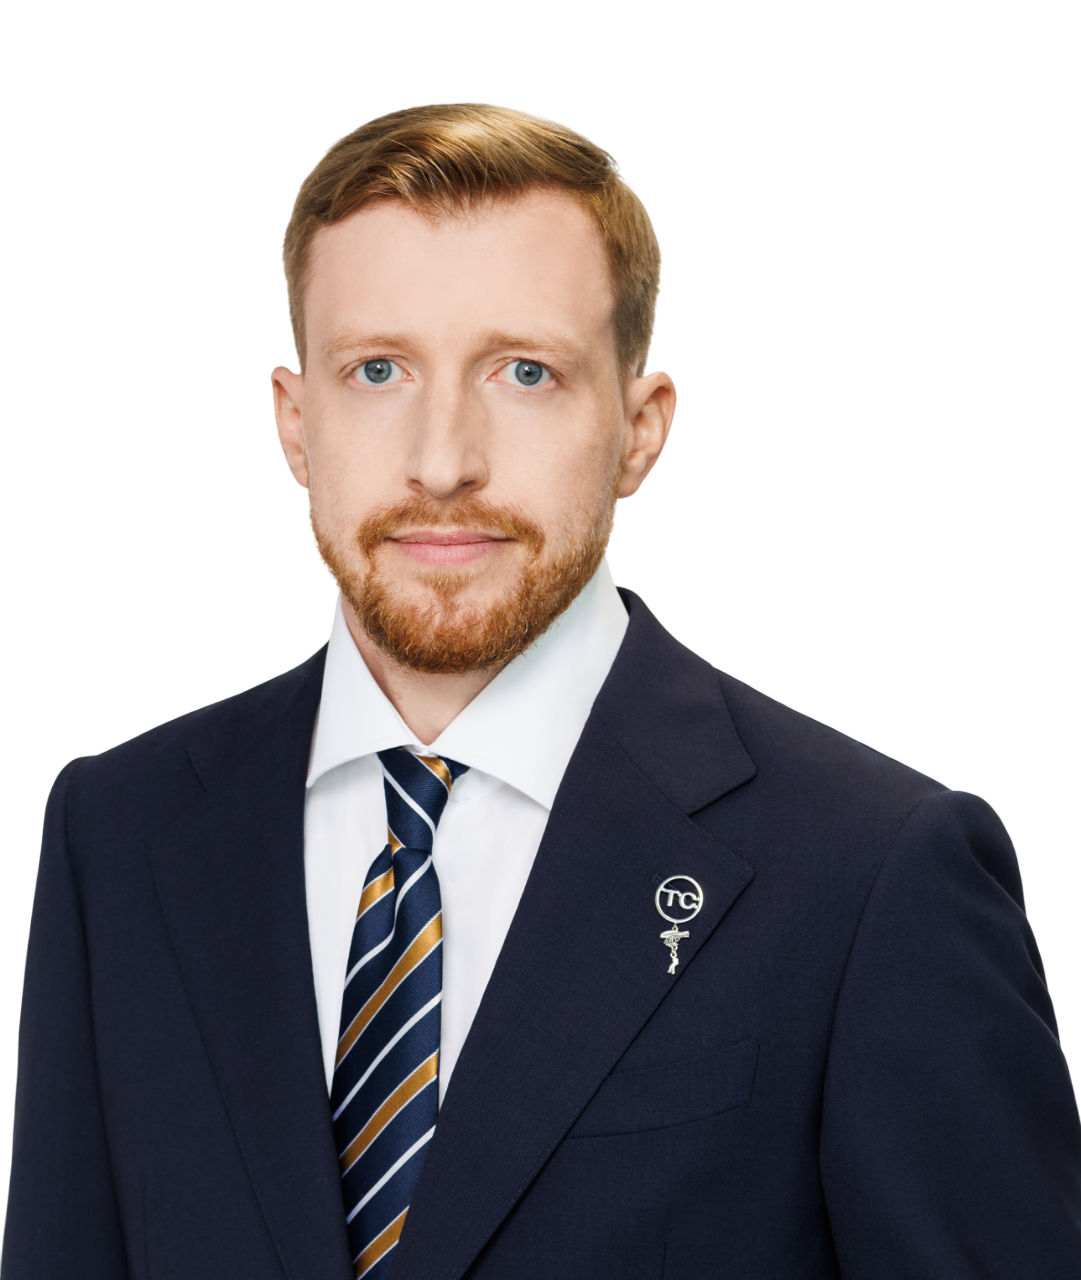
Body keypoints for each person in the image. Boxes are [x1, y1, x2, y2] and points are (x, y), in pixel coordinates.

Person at [4, 102, 1079, 1280]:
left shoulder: (875, 868)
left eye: (524, 372)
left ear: (639, 429)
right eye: (377, 370)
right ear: (294, 424)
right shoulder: (119, 829)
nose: (442, 460)